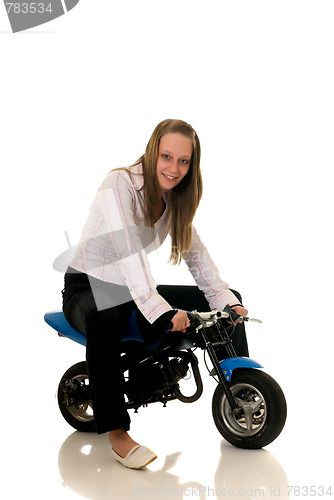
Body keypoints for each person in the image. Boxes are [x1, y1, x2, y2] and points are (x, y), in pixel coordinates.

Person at [62, 118, 249, 470]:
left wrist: (227, 301)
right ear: (152, 152)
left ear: (192, 165)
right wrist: (161, 311)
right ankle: (117, 433)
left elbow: (198, 257)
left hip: (132, 287)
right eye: (166, 156)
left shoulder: (175, 199)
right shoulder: (118, 184)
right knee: (104, 320)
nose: (174, 168)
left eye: (183, 161)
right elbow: (128, 250)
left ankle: (238, 391)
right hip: (89, 284)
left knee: (227, 300)